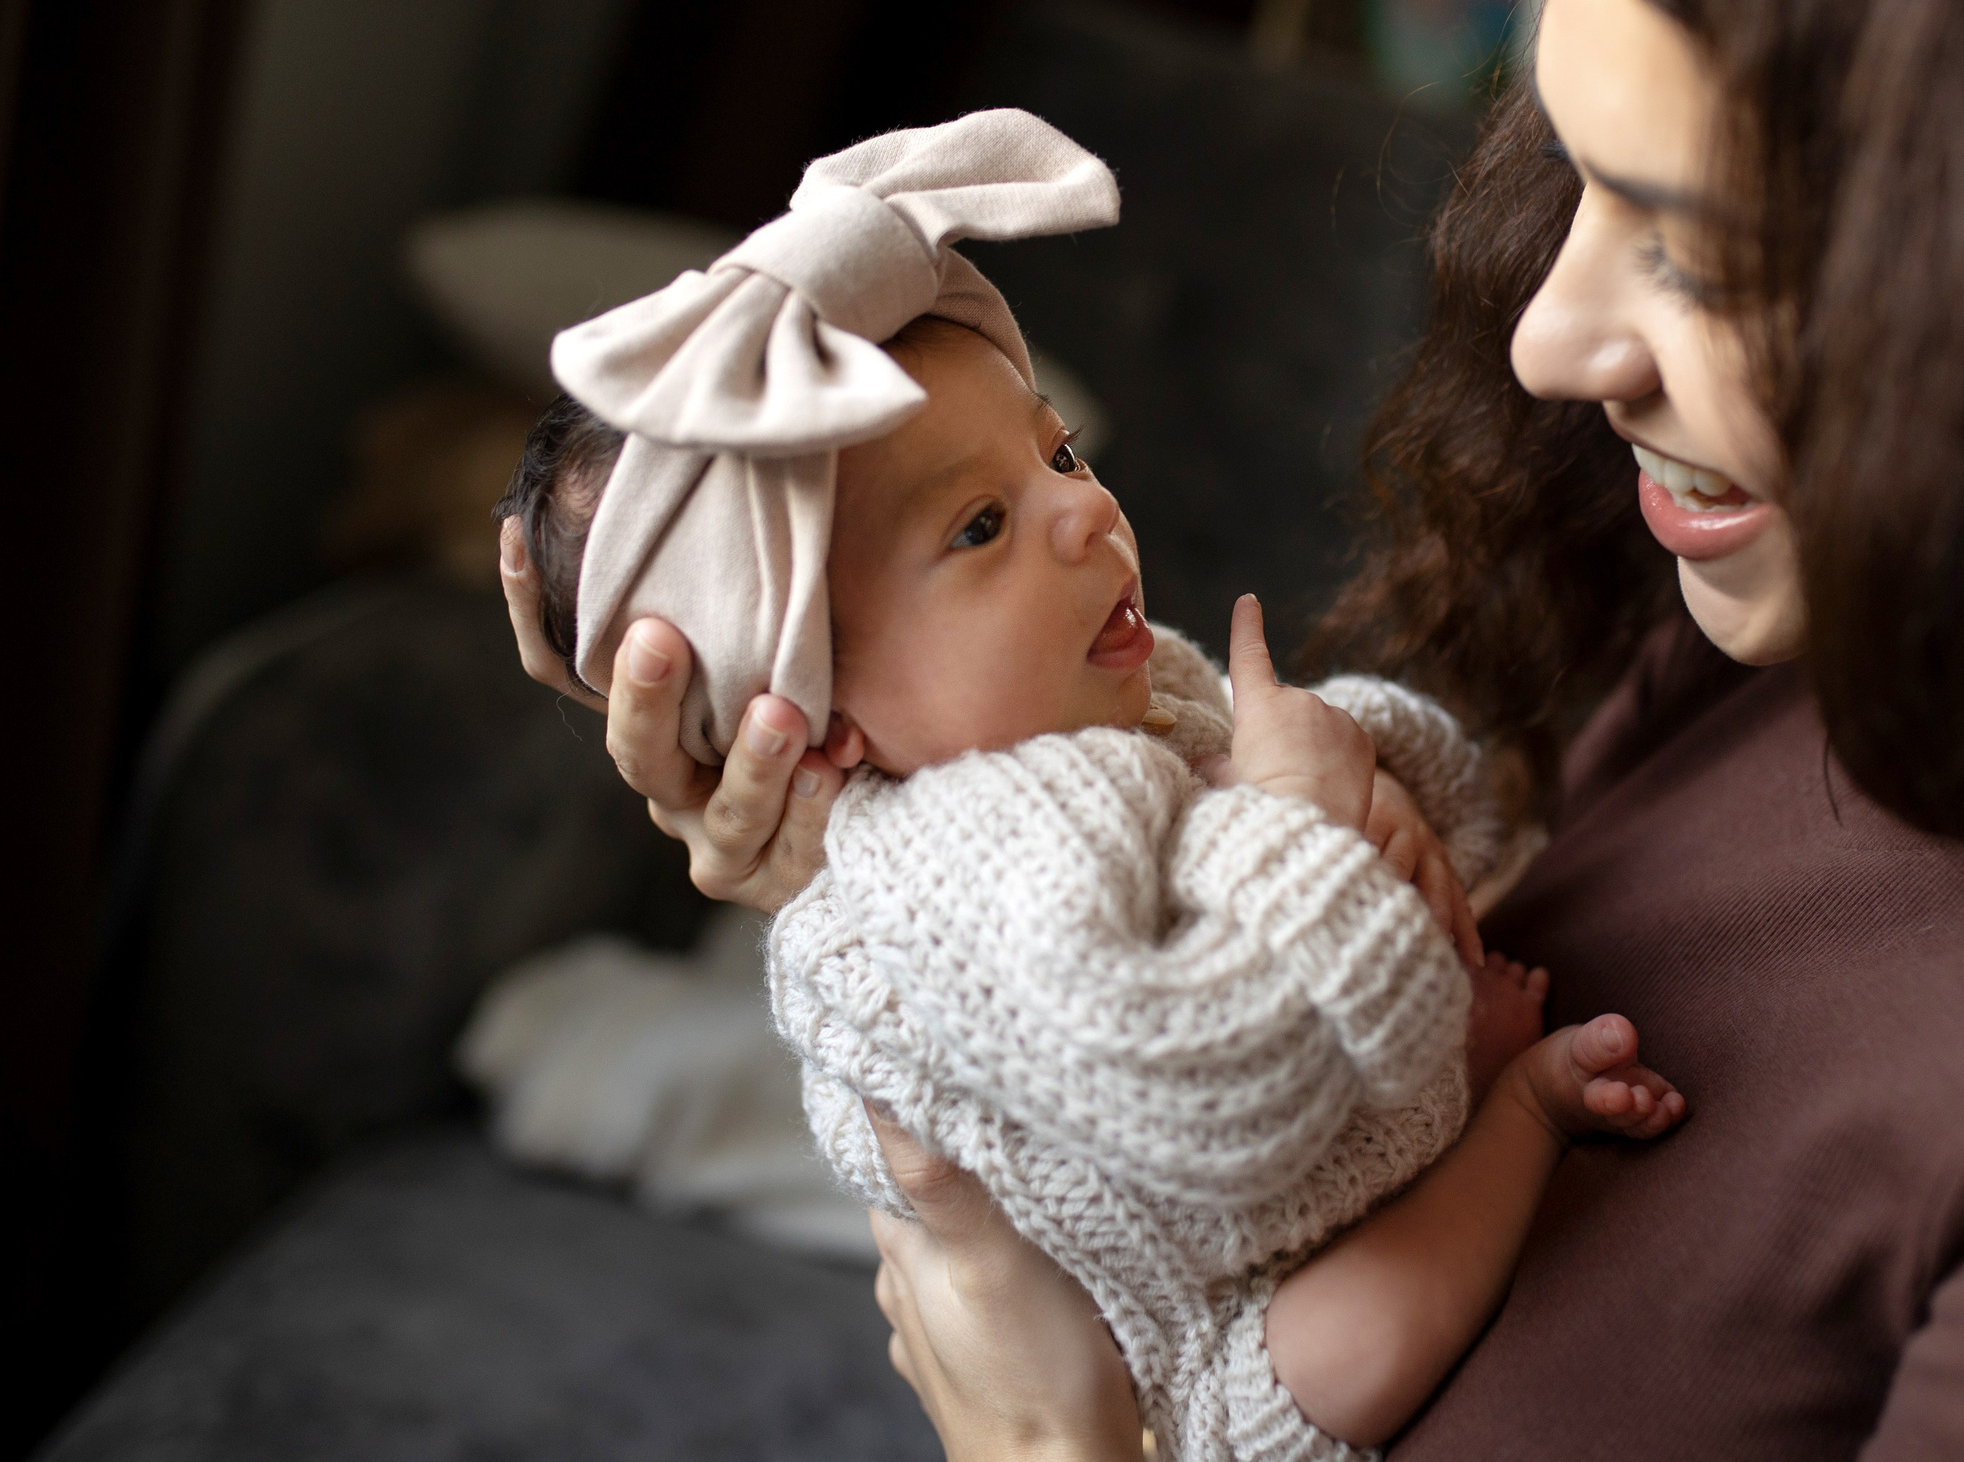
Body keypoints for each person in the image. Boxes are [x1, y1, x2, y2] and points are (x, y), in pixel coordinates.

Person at [504, 0, 1964, 1454]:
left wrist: (1047, 1445)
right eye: (1572, 167)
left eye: (1698, 244)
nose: (1556, 336)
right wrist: (875, 863)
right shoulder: (1785, 631)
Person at [502, 114, 1687, 1460]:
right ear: (822, 728)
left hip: (1323, 1155)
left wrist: (1354, 757)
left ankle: (1465, 1104)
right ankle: (1517, 1116)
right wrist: (1303, 819)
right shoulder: (951, 866)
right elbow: (1211, 1097)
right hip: (1212, 1348)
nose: (1088, 513)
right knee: (1344, 1357)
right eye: (980, 528)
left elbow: (1459, 827)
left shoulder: (1095, 700)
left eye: (1054, 456)